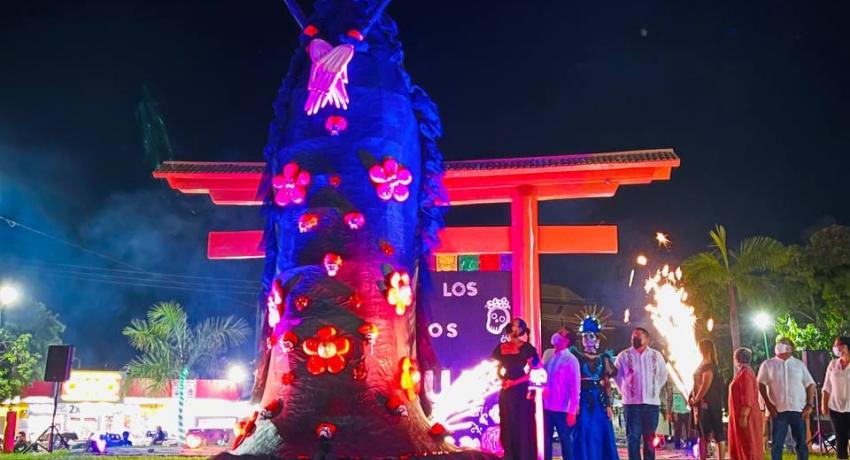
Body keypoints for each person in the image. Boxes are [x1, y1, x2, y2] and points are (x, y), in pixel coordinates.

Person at [757, 336, 816, 460]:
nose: (780, 345)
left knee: (801, 443)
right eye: (779, 343)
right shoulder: (768, 364)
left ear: (790, 348)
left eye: (783, 343)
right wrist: (768, 404)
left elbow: (810, 384)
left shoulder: (799, 364)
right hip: (778, 410)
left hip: (798, 409)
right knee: (777, 443)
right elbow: (760, 384)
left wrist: (809, 404)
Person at [615, 327, 668, 460]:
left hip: (651, 404)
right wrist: (626, 391)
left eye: (638, 337)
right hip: (632, 405)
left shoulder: (656, 356)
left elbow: (663, 376)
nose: (635, 339)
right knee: (633, 438)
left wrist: (654, 389)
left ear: (647, 339)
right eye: (633, 337)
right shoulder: (623, 356)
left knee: (650, 438)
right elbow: (617, 377)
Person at [491, 317, 540, 460]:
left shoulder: (527, 348)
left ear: (522, 330)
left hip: (521, 389)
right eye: (513, 325)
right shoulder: (501, 347)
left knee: (522, 422)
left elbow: (534, 370)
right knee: (507, 420)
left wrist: (515, 382)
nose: (515, 329)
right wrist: (502, 379)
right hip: (506, 388)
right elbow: (496, 367)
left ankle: (524, 455)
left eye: (519, 326)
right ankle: (509, 455)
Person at [572, 315, 619, 460]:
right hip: (582, 400)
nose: (587, 339)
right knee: (583, 431)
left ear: (597, 340)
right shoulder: (576, 357)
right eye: (585, 336)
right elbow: (573, 382)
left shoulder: (604, 359)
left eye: (591, 336)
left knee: (599, 432)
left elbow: (607, 383)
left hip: (599, 400)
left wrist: (609, 405)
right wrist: (574, 403)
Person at [542, 328, 580, 460]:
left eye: (560, 334)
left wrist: (572, 411)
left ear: (566, 340)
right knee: (545, 440)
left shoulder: (571, 360)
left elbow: (575, 388)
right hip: (546, 406)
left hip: (562, 408)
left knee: (565, 440)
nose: (556, 334)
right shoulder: (548, 354)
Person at [690, 339, 726, 460]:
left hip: (710, 404)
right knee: (702, 434)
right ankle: (702, 457)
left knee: (717, 433)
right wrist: (692, 396)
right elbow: (697, 384)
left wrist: (696, 398)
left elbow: (705, 385)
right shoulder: (702, 365)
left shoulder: (709, 366)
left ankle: (721, 458)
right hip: (701, 405)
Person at [728, 347, 765, 460]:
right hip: (741, 414)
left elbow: (747, 396)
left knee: (748, 445)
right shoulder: (743, 372)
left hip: (747, 416)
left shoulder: (746, 374)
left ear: (737, 359)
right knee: (742, 444)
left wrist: (744, 416)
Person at [822, 336, 850, 460]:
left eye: (839, 346)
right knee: (840, 439)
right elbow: (827, 386)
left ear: (846, 347)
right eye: (835, 346)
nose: (836, 348)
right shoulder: (833, 364)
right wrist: (824, 404)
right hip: (835, 408)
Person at [666, 384, 691, 449]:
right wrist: (668, 412)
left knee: (689, 429)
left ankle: (689, 445)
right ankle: (677, 445)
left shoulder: (688, 382)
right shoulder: (673, 384)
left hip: (688, 410)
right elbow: (669, 399)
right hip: (677, 411)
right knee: (677, 430)